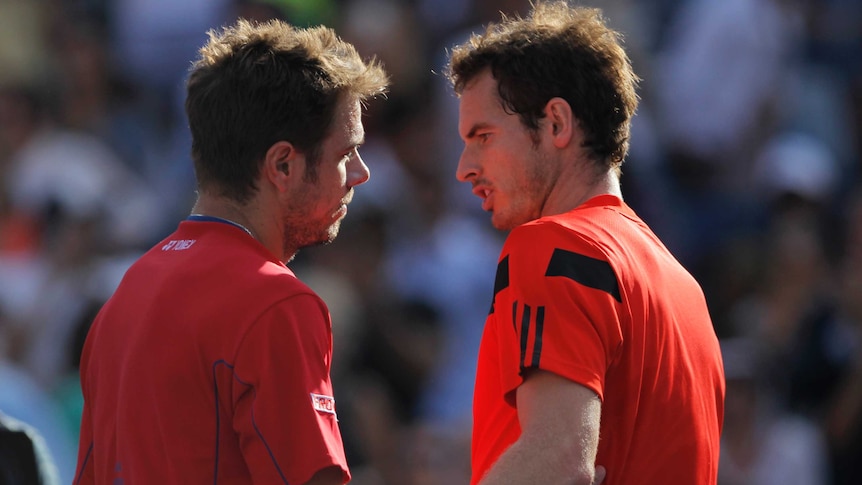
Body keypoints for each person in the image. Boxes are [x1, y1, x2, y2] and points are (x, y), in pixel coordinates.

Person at [73, 18, 388, 485]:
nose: (360, 174)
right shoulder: (278, 303)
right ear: (282, 165)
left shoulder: (123, 298)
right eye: (346, 155)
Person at [445, 2, 725, 484]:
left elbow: (558, 461)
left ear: (556, 123)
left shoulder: (551, 246)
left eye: (484, 136)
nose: (465, 168)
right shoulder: (685, 288)